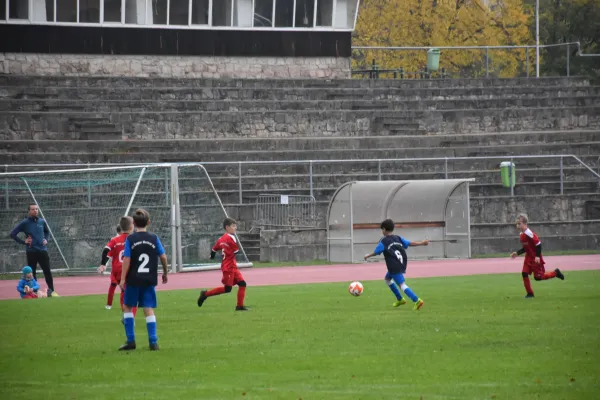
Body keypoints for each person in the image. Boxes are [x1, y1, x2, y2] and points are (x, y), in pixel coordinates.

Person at [119, 209, 168, 351]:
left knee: (128, 307)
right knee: (148, 308)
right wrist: (165, 272)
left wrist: (123, 279)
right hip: (149, 279)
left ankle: (131, 341)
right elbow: (163, 256)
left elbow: (127, 258)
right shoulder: (154, 238)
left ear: (133, 224)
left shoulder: (130, 239)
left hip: (133, 279)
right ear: (149, 222)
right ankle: (153, 342)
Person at [363, 219, 429, 311]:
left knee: (402, 285)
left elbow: (377, 252)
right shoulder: (398, 238)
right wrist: (422, 243)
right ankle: (400, 299)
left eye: (382, 229)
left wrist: (367, 256)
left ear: (384, 229)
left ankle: (417, 300)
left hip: (394, 265)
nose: (382, 231)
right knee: (387, 280)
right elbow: (409, 243)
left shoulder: (384, 241)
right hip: (400, 263)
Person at [197, 218, 249, 311]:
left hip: (231, 266)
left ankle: (239, 306)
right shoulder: (230, 238)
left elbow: (214, 249)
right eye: (233, 226)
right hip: (228, 267)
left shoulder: (221, 238)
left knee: (242, 284)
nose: (235, 228)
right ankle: (205, 294)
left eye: (235, 226)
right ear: (227, 227)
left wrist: (212, 256)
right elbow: (236, 251)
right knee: (227, 289)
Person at [510, 214, 564, 298]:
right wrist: (517, 253)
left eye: (519, 224)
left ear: (525, 223)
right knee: (524, 273)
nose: (517, 226)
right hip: (528, 258)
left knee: (538, 277)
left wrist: (537, 256)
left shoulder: (529, 233)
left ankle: (555, 273)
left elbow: (538, 244)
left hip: (535, 258)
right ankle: (530, 293)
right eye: (516, 224)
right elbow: (526, 248)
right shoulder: (522, 234)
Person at [10, 204, 58, 297]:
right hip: (31, 251)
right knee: (32, 273)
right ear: (29, 211)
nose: (35, 211)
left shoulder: (42, 221)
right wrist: (24, 242)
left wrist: (46, 240)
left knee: (47, 271)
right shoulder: (25, 223)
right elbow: (13, 234)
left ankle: (51, 291)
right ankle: (35, 292)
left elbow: (47, 232)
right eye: (33, 209)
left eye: (36, 209)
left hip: (42, 250)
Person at [97, 217, 137, 317]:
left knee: (123, 290)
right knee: (133, 293)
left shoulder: (115, 240)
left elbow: (106, 250)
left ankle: (124, 312)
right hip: (129, 269)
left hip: (117, 271)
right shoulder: (134, 239)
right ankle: (130, 315)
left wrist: (102, 264)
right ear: (132, 227)